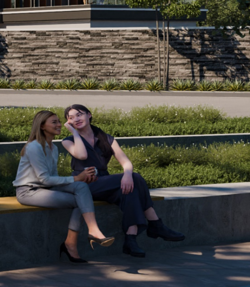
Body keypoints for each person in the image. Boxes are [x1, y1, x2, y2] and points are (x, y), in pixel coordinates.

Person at [64, 103, 183, 257]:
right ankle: (155, 224)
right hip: (84, 185)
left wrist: (127, 174)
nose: (76, 119)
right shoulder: (68, 140)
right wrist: (74, 132)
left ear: (89, 115)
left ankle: (131, 239)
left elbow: (125, 162)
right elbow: (82, 156)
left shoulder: (106, 138)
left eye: (79, 114)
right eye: (71, 118)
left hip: (105, 182)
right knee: (134, 178)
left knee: (129, 190)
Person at [14, 109, 112, 262]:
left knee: (81, 188)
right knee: (81, 200)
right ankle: (71, 244)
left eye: (59, 121)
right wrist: (76, 178)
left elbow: (51, 178)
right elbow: (45, 179)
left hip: (45, 188)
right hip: (29, 191)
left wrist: (83, 178)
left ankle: (92, 231)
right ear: (42, 126)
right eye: (54, 122)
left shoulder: (53, 148)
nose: (60, 124)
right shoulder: (34, 147)